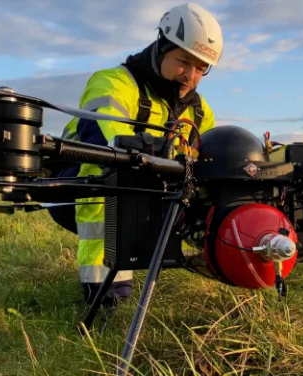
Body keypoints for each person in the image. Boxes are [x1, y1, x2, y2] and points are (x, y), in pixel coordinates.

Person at [53, 2, 223, 307]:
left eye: (201, 68)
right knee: (112, 176)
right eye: (184, 61)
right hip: (71, 186)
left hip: (155, 190)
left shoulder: (199, 110)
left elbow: (210, 156)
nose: (191, 76)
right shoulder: (114, 82)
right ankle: (106, 292)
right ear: (161, 46)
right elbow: (101, 142)